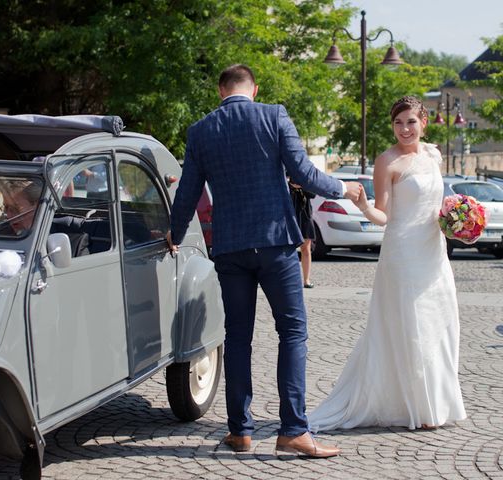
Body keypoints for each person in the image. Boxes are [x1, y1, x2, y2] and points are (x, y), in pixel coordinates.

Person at [167, 64, 361, 457]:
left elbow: (187, 191)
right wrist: (345, 188)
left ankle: (240, 432)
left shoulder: (201, 130)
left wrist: (174, 231)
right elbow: (304, 173)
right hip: (276, 246)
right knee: (292, 332)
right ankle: (293, 431)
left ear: (220, 90)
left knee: (238, 338)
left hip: (231, 248)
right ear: (254, 88)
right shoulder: (273, 115)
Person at [308, 96, 466, 432]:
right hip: (404, 253)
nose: (405, 129)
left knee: (440, 322)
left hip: (434, 251)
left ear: (423, 121)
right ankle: (418, 408)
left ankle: (436, 402)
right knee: (413, 327)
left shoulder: (433, 155)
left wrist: (458, 220)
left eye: (410, 121)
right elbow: (385, 215)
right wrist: (365, 207)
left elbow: (439, 203)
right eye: (398, 123)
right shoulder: (387, 162)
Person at [288, 180, 316, 288]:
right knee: (289, 250)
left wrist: (301, 185)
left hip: (305, 217)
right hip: (289, 217)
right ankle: (290, 279)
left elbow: (313, 194)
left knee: (306, 249)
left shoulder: (306, 180)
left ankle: (306, 280)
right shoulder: (285, 181)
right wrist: (291, 185)